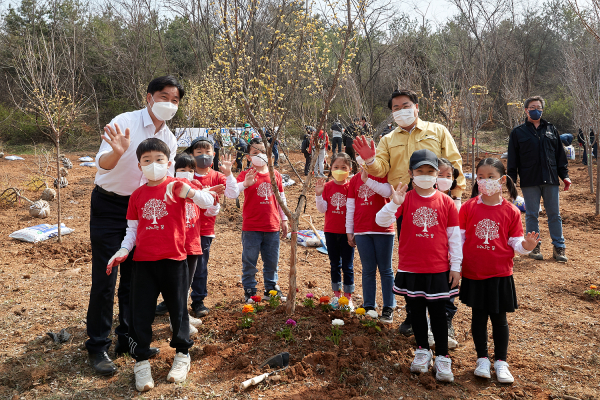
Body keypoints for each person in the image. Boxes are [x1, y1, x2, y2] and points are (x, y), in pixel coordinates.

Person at [87, 75, 183, 376]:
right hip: (109, 205)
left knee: (134, 278)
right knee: (106, 277)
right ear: (148, 97)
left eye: (175, 100)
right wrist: (117, 152)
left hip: (142, 209)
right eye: (164, 97)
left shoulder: (169, 139)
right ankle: (98, 344)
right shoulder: (125, 122)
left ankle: (126, 338)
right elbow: (101, 163)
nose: (169, 104)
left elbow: (164, 178)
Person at [353, 89, 466, 337]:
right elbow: (381, 169)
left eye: (405, 105)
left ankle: (445, 316)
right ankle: (414, 314)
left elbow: (454, 162)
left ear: (416, 107)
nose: (401, 111)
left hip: (439, 203)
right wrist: (370, 161)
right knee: (411, 256)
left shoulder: (437, 131)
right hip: (406, 203)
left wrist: (456, 196)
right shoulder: (388, 139)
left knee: (444, 257)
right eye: (395, 108)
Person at [105, 138, 216, 391]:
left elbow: (208, 202)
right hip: (143, 263)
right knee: (141, 313)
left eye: (159, 159)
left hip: (174, 260)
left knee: (178, 310)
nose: (153, 164)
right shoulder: (137, 195)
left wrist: (188, 191)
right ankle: (141, 361)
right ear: (139, 165)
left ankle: (182, 355)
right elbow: (132, 230)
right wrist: (123, 250)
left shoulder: (177, 186)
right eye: (147, 160)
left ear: (168, 163)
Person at [376, 149, 461, 383]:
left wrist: (456, 266)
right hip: (411, 268)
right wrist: (393, 204)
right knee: (416, 312)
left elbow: (454, 237)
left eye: (430, 171)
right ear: (411, 173)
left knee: (438, 313)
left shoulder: (446, 202)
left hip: (438, 269)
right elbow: (380, 221)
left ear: (437, 174)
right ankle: (422, 350)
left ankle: (442, 356)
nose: (425, 175)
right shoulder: (405, 199)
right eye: (420, 171)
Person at [459, 157, 540, 384]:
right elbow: (459, 240)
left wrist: (526, 246)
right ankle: (482, 359)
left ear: (502, 180)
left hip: (500, 273)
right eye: (481, 177)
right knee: (478, 317)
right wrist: (455, 265)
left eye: (490, 177)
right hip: (474, 272)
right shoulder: (467, 208)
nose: (485, 181)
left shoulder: (511, 211)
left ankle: (501, 361)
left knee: (499, 318)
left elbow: (515, 242)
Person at [507, 96, 571, 262]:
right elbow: (513, 159)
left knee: (554, 214)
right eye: (532, 107)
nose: (536, 110)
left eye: (539, 107)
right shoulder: (518, 132)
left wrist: (565, 176)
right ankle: (534, 246)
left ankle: (559, 247)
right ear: (526, 110)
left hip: (550, 179)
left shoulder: (551, 129)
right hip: (530, 180)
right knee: (532, 214)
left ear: (542, 110)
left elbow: (560, 156)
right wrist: (511, 181)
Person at [227, 137, 289, 302]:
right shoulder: (245, 174)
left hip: (272, 226)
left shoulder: (275, 175)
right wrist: (245, 184)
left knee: (272, 260)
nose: (259, 155)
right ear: (248, 157)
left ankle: (271, 288)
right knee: (249, 261)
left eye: (263, 151)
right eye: (255, 152)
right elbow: (233, 192)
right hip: (251, 227)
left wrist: (284, 219)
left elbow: (281, 198)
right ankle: (250, 290)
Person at [186, 137, 237, 316]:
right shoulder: (186, 174)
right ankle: (173, 301)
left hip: (204, 230)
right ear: (192, 155)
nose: (203, 155)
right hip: (183, 229)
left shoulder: (217, 176)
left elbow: (232, 193)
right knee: (178, 266)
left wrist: (228, 173)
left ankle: (198, 300)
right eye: (199, 152)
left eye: (207, 152)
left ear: (213, 154)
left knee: (200, 267)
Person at [346, 157, 396, 323]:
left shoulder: (384, 175)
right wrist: (349, 230)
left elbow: (388, 193)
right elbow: (351, 206)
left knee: (385, 269)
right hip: (362, 230)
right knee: (368, 270)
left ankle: (388, 307)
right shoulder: (354, 180)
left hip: (384, 230)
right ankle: (369, 306)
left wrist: (368, 180)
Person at [315, 153, 355, 307]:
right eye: (336, 167)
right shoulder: (327, 187)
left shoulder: (351, 187)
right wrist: (319, 194)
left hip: (347, 233)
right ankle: (337, 296)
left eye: (343, 167)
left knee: (348, 265)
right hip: (330, 231)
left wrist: (353, 231)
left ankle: (348, 298)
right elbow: (322, 209)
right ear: (330, 168)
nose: (339, 170)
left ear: (350, 169)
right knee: (334, 264)